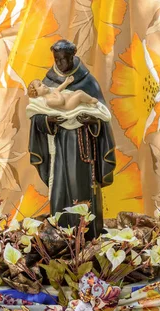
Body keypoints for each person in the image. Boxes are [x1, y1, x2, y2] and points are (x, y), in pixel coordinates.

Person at [28, 39, 116, 240]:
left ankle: (87, 238)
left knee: (82, 187)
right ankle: (61, 237)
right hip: (57, 149)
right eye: (57, 60)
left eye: (64, 59)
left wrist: (91, 121)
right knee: (59, 190)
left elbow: (102, 115)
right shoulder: (47, 83)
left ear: (73, 57)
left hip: (83, 147)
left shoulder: (88, 81)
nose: (60, 64)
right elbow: (37, 117)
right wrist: (48, 120)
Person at [27, 75, 98, 110]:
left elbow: (59, 88)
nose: (43, 85)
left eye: (42, 83)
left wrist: (66, 82)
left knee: (78, 91)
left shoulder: (50, 92)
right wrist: (57, 92)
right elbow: (61, 101)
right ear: (36, 93)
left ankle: (88, 101)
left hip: (69, 99)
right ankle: (91, 101)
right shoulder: (48, 100)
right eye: (40, 85)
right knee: (80, 94)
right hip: (68, 105)